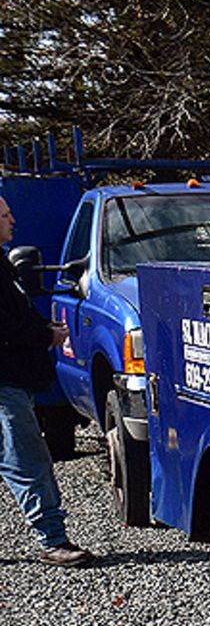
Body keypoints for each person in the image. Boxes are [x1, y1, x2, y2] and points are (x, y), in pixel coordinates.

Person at [0, 193, 93, 566]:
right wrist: (46, 336)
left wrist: (43, 328)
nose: (13, 220)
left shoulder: (4, 268)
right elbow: (5, 328)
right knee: (28, 460)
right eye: (5, 214)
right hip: (4, 383)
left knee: (23, 459)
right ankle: (53, 539)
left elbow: (16, 318)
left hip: (13, 379)